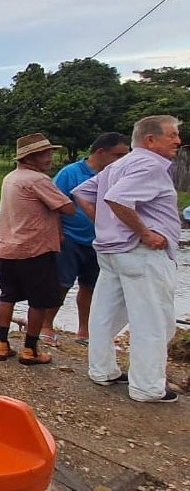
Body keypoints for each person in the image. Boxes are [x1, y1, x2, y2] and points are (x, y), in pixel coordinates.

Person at [72, 115, 182, 403]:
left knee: (104, 316)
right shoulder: (149, 164)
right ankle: (147, 387)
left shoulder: (120, 164)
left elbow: (83, 192)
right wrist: (144, 233)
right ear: (150, 140)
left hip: (112, 251)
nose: (178, 141)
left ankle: (102, 369)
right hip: (140, 253)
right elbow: (118, 199)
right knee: (153, 321)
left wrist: (105, 226)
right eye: (172, 135)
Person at [41, 132, 130, 346]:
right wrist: (58, 234)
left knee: (91, 286)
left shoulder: (117, 175)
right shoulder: (70, 173)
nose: (121, 161)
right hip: (70, 237)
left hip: (101, 240)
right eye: (118, 155)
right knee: (62, 283)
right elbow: (52, 205)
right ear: (100, 152)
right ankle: (46, 326)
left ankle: (84, 330)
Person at [0, 133, 75, 365]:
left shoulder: (11, 177)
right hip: (35, 250)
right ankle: (30, 349)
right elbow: (68, 208)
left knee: (7, 295)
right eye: (45, 154)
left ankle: (1, 343)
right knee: (39, 301)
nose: (50, 157)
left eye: (50, 152)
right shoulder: (38, 180)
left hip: (8, 248)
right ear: (31, 157)